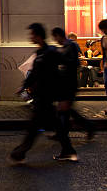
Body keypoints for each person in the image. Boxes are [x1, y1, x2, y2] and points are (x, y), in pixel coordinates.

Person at [10, 23, 75, 163]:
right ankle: (68, 151)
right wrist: (23, 87)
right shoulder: (40, 53)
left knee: (34, 126)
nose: (30, 37)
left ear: (38, 36)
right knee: (54, 125)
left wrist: (65, 96)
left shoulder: (51, 52)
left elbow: (67, 66)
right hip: (41, 95)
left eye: (32, 34)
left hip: (47, 94)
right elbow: (34, 73)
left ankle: (19, 153)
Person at [52, 27, 95, 144]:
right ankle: (62, 133)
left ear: (59, 36)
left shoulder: (70, 46)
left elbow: (73, 62)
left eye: (55, 38)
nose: (56, 41)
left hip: (70, 82)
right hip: (66, 82)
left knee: (65, 109)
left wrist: (60, 59)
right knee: (64, 109)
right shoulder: (66, 46)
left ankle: (88, 127)